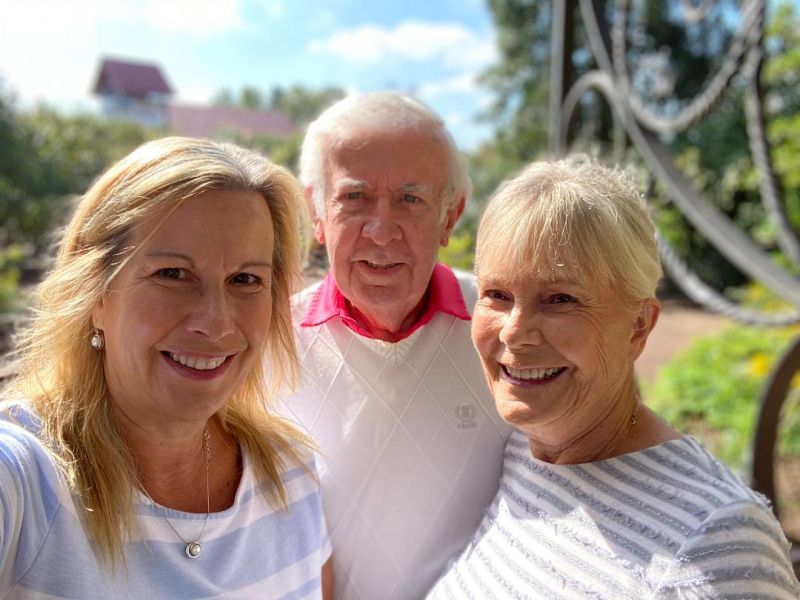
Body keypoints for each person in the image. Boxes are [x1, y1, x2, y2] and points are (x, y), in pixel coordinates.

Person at [427, 157, 800, 598]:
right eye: (497, 295)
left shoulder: (715, 545)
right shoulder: (524, 453)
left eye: (560, 298)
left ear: (639, 325)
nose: (514, 331)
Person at [0, 137, 333, 598]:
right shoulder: (24, 479)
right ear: (95, 294)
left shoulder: (291, 472)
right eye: (172, 274)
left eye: (245, 279)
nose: (215, 323)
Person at [278, 91, 511, 599]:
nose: (382, 232)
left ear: (450, 216)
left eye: (411, 199)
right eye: (354, 198)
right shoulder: (266, 343)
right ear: (317, 214)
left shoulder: (504, 331)